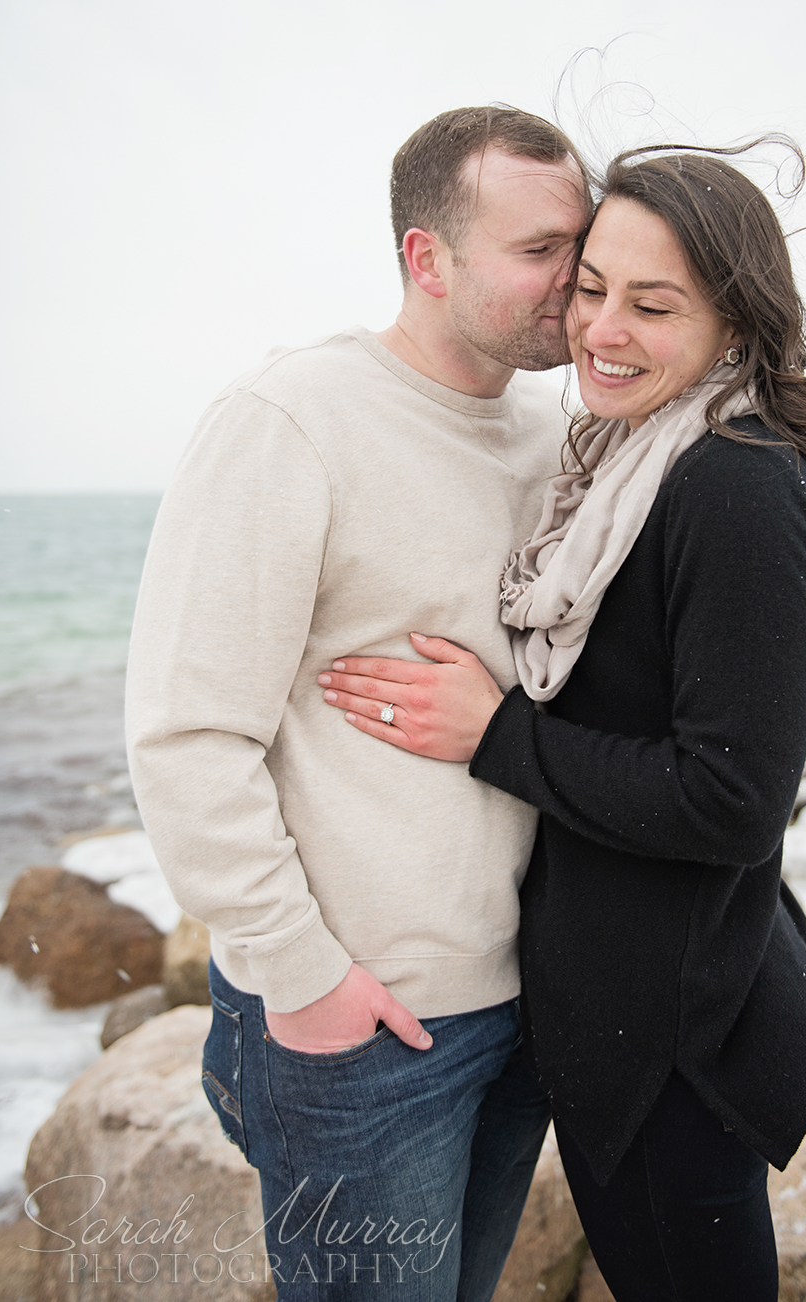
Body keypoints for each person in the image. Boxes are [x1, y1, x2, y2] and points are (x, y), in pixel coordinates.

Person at [317, 143, 806, 1301]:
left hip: (675, 1048)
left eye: (652, 305)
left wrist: (496, 733)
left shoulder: (733, 484)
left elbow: (732, 798)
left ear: (733, 320)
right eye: (589, 287)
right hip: (624, 1014)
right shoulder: (626, 457)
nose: (600, 329)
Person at [126, 106, 591, 1300]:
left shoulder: (557, 437)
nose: (574, 278)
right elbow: (186, 737)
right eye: (537, 249)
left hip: (523, 1002)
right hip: (362, 1033)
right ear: (425, 258)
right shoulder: (288, 423)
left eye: (577, 243)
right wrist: (305, 978)